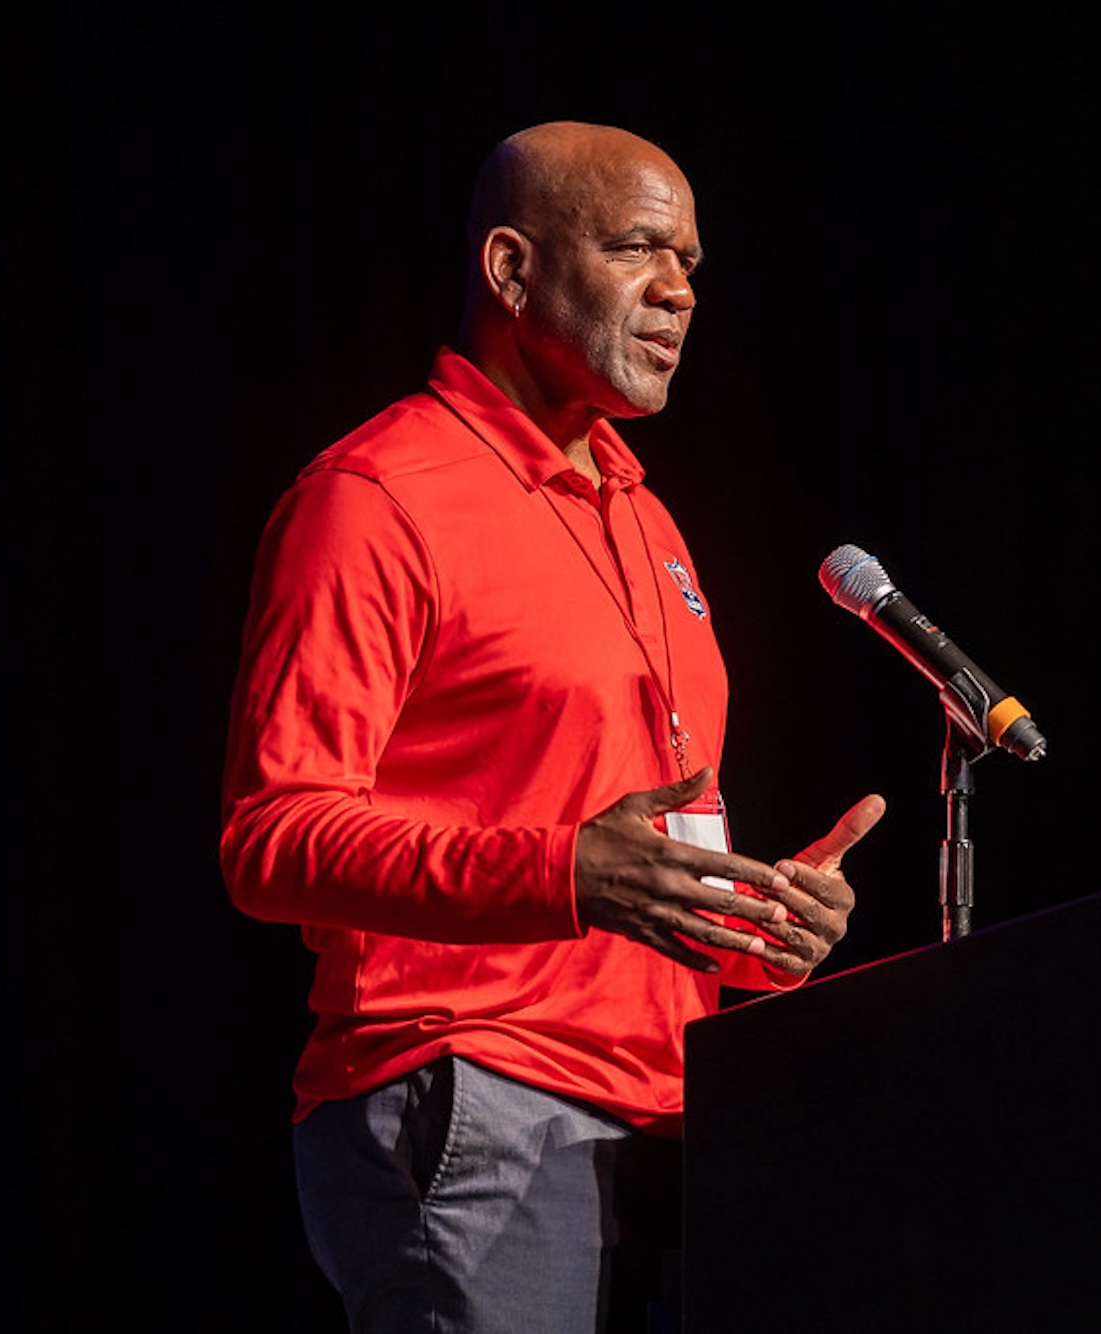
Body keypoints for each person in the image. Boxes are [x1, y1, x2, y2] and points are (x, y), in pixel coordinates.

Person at [220, 122, 884, 1333]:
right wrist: (567, 870)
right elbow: (272, 838)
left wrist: (749, 924)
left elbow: (635, 857)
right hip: (477, 1095)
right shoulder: (375, 499)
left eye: (688, 259)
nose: (677, 289)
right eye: (636, 248)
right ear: (510, 270)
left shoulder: (647, 518)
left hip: (677, 1116)